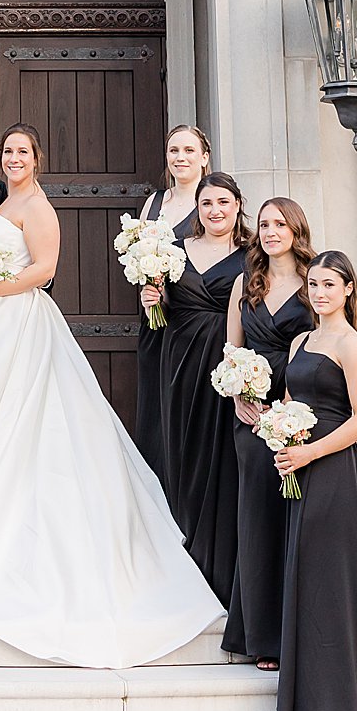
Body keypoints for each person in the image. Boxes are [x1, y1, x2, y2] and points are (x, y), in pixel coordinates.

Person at [0, 123, 223, 669]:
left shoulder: (38, 205)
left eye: (23, 151)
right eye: (8, 151)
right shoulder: (1, 196)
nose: (14, 158)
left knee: (11, 419)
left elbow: (44, 270)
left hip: (16, 320)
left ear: (37, 157)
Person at [274, 250, 357, 711]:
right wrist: (280, 435)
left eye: (330, 285)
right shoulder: (301, 339)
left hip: (331, 471)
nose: (320, 293)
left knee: (330, 580)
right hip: (298, 463)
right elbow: (288, 400)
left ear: (347, 290)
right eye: (315, 285)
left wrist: (309, 453)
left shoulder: (350, 344)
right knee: (304, 575)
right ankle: (307, 707)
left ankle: (337, 710)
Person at [222, 197, 315, 667]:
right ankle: (261, 637)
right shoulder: (246, 282)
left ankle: (297, 631)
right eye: (264, 224)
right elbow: (232, 349)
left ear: (297, 230)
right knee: (257, 520)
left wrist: (295, 404)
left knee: (294, 524)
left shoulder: (313, 284)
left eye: (281, 224)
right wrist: (239, 395)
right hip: (252, 417)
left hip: (300, 415)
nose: (272, 231)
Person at [151, 172, 249, 605]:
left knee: (223, 457)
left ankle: (220, 564)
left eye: (223, 203)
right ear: (198, 209)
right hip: (181, 361)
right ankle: (182, 560)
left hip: (226, 365)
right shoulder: (174, 251)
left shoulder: (251, 257)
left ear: (237, 206)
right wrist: (154, 301)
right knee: (183, 453)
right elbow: (169, 303)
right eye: (207, 203)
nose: (215, 211)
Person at [132, 124, 210, 478]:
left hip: (192, 326)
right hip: (156, 323)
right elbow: (138, 259)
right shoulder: (153, 202)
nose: (180, 158)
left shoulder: (211, 205)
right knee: (155, 411)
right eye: (174, 151)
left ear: (204, 158)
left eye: (189, 151)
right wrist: (147, 290)